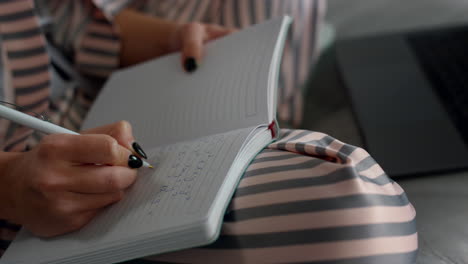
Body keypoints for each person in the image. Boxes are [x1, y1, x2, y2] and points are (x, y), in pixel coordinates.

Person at [0, 1, 418, 263]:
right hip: (30, 206)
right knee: (359, 220)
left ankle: (252, 145)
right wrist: (10, 187)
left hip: (101, 92)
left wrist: (168, 42)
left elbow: (53, 20)